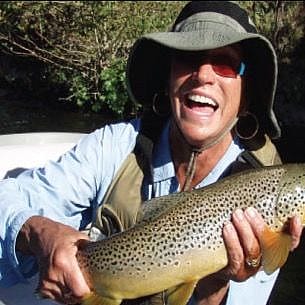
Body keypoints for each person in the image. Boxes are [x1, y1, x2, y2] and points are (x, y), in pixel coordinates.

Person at [0, 1, 303, 305]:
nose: (203, 75)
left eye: (225, 63)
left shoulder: (265, 192)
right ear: (168, 75)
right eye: (188, 59)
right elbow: (7, 198)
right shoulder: (116, 145)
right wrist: (41, 234)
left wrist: (213, 290)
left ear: (246, 94)